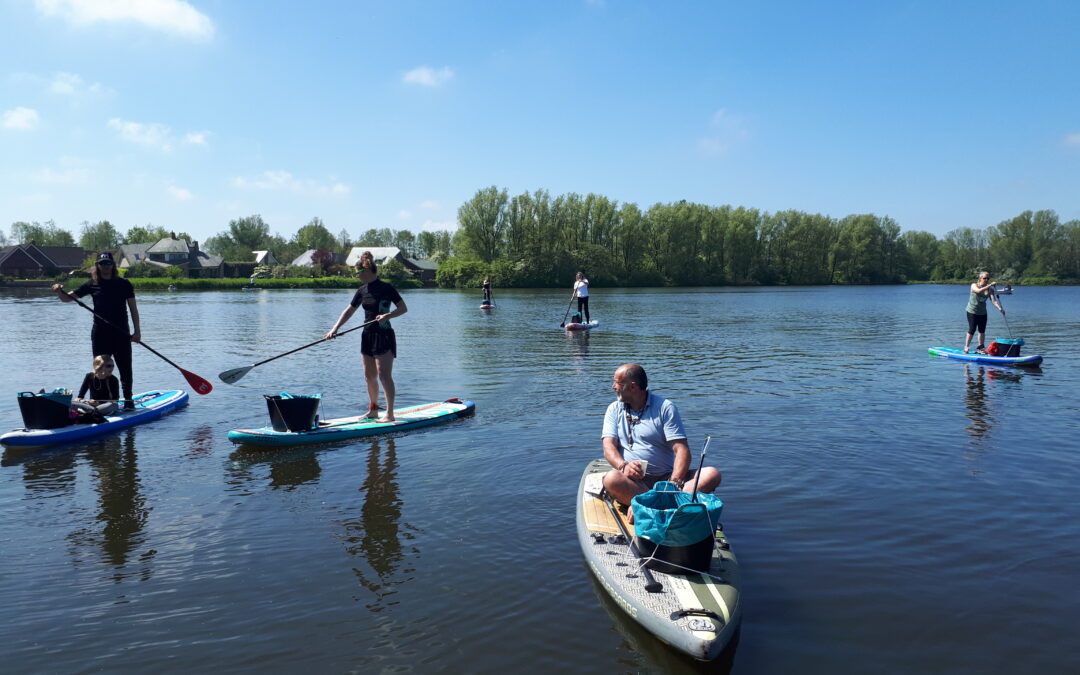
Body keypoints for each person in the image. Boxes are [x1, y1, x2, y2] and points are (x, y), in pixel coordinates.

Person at [602, 363, 721, 518]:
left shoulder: (665, 408)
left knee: (712, 474)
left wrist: (673, 484)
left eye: (618, 383)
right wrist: (623, 466)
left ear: (633, 387)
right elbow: (608, 447)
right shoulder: (613, 409)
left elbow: (682, 450)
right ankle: (668, 504)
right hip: (634, 482)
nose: (613, 387)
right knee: (611, 479)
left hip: (667, 480)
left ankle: (647, 504)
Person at [325, 251, 408, 422]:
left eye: (357, 273)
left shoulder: (386, 288)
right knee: (369, 376)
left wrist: (387, 316)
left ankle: (390, 414)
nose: (356, 276)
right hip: (367, 335)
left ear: (366, 271)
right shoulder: (362, 290)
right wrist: (335, 328)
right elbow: (349, 311)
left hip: (383, 335)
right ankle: (373, 410)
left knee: (384, 375)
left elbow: (403, 308)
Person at [52, 252, 141, 410]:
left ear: (113, 265)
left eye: (108, 263)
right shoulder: (91, 284)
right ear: (97, 266)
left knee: (125, 369)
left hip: (121, 334)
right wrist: (59, 291)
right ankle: (99, 402)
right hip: (100, 334)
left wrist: (137, 331)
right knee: (100, 370)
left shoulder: (124, 284)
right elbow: (67, 298)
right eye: (102, 263)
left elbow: (133, 309)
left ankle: (128, 401)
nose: (106, 266)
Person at [963, 271, 1003, 354]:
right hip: (972, 311)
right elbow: (978, 291)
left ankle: (981, 348)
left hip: (982, 312)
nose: (986, 280)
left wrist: (1000, 308)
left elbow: (994, 301)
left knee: (982, 331)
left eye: (988, 278)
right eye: (985, 278)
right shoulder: (974, 285)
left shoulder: (990, 289)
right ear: (980, 278)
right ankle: (966, 347)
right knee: (972, 329)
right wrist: (990, 285)